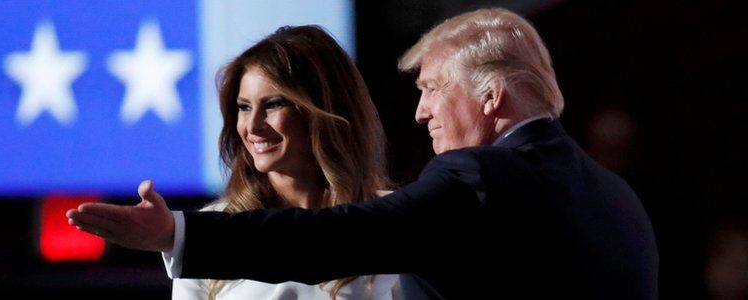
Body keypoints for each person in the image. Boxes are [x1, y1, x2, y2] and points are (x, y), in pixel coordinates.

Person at [68, 8, 658, 299]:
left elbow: (340, 236)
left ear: (491, 95)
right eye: (243, 109)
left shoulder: (473, 177)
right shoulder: (618, 198)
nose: (421, 112)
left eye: (430, 90)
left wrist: (178, 235)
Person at [183, 25, 403, 299]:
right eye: (244, 107)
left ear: (325, 108)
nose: (252, 126)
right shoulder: (207, 231)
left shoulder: (393, 221)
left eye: (274, 104)